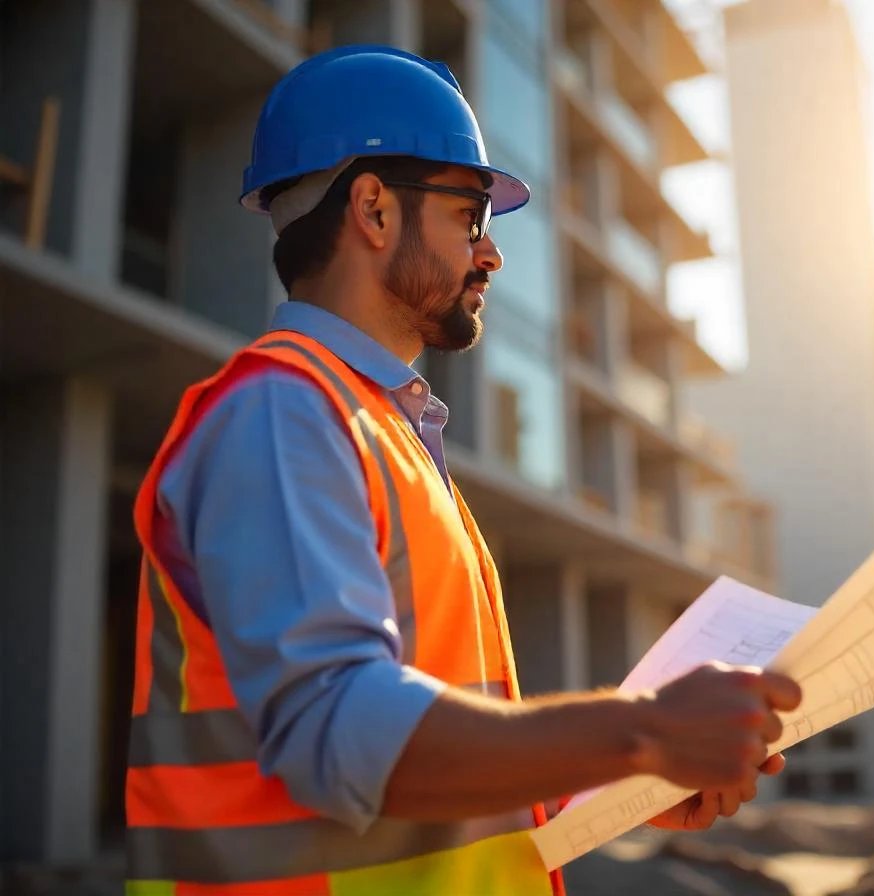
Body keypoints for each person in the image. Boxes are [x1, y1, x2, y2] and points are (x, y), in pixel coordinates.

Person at [125, 45, 802, 896]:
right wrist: (646, 733)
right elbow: (340, 736)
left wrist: (610, 782)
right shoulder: (283, 414)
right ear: (373, 209)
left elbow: (419, 752)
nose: (492, 256)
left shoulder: (380, 430)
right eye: (471, 216)